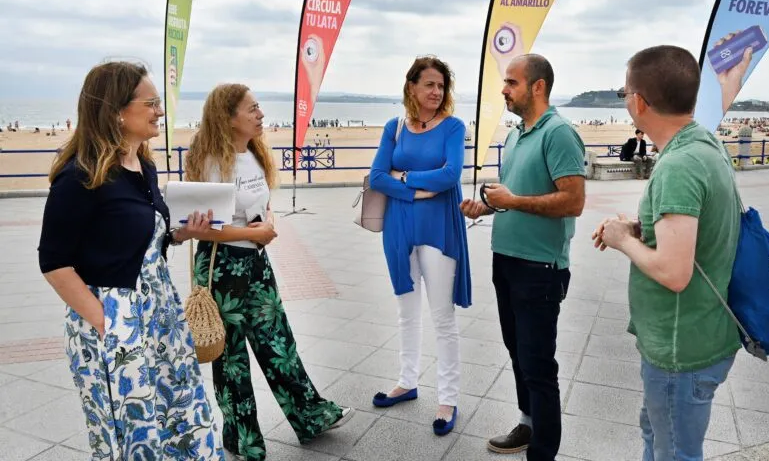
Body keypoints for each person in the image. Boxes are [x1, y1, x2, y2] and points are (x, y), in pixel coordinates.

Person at [37, 61, 224, 460]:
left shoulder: (145, 167)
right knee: (134, 433)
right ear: (117, 110)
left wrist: (181, 233)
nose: (160, 111)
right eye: (152, 103)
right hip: (114, 322)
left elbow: (140, 240)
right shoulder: (80, 177)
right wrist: (107, 323)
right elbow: (54, 263)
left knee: (184, 416)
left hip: (161, 317)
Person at [184, 83, 352, 460]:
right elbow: (205, 227)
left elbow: (260, 204)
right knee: (231, 361)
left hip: (255, 263)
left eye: (259, 108)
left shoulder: (254, 154)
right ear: (228, 119)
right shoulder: (212, 160)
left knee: (279, 344)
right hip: (221, 268)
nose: (261, 114)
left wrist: (267, 222)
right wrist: (254, 232)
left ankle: (311, 415)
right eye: (252, 109)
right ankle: (243, 439)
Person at [592, 45, 743, 461]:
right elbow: (695, 232)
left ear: (639, 101)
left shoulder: (678, 165)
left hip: (682, 349)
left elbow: (675, 272)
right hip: (698, 336)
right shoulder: (704, 145)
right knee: (659, 436)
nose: (625, 101)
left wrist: (624, 241)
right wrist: (638, 230)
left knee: (674, 450)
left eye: (624, 93)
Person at [460, 54, 586, 461]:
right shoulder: (517, 135)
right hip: (507, 260)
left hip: (540, 267)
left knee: (538, 364)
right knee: (517, 353)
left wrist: (512, 199)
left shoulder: (559, 133)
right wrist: (491, 205)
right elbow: (518, 194)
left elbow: (573, 200)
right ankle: (527, 425)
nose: (503, 90)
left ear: (538, 87)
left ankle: (543, 452)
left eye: (511, 82)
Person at [369, 55, 471, 436]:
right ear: (411, 86)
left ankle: (447, 398)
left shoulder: (453, 126)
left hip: (438, 229)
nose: (436, 91)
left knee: (442, 317)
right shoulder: (395, 127)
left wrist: (405, 176)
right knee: (405, 310)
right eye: (429, 84)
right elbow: (378, 176)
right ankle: (407, 380)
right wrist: (416, 192)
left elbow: (450, 175)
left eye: (441, 86)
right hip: (399, 227)